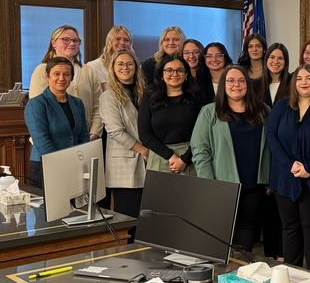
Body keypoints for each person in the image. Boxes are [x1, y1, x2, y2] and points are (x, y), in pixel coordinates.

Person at [191, 64, 270, 258]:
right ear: (223, 85)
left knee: (247, 235)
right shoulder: (210, 112)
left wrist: (271, 179)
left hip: (255, 186)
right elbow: (200, 151)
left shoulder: (263, 111)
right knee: (222, 237)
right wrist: (209, 183)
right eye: (231, 80)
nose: (236, 85)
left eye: (241, 80)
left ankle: (239, 273)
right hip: (223, 186)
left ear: (248, 84)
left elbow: (272, 147)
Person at [267, 64, 310, 270]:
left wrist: (309, 167)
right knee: (289, 226)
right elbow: (272, 137)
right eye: (299, 78)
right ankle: (291, 271)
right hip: (284, 176)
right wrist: (290, 165)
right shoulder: (281, 106)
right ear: (293, 83)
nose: (303, 82)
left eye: (309, 78)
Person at [27, 24, 101, 139]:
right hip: (53, 141)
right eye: (65, 40)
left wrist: (94, 134)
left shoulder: (88, 70)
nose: (71, 43)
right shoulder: (42, 70)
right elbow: (37, 111)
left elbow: (98, 105)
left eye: (75, 41)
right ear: (54, 43)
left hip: (85, 140)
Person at [24, 56, 89, 187]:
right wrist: (61, 165)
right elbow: (42, 141)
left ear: (71, 78)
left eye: (66, 74)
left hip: (74, 165)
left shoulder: (77, 103)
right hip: (46, 166)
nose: (62, 78)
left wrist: (82, 161)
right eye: (56, 74)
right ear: (47, 76)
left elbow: (83, 136)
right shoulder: (36, 104)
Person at [98, 49, 147, 221]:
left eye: (129, 63)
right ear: (113, 68)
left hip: (148, 164)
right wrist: (144, 151)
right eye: (120, 64)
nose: (125, 67)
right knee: (129, 219)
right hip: (125, 166)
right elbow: (116, 131)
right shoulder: (108, 97)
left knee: (147, 220)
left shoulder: (143, 93)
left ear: (136, 66)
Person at [137, 54, 200, 176]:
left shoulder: (197, 97)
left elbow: (203, 133)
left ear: (186, 74)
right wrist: (170, 156)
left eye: (180, 70)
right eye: (169, 70)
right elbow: (144, 134)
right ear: (161, 74)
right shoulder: (150, 98)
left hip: (191, 158)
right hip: (160, 156)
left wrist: (185, 159)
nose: (174, 74)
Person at [86, 25, 133, 91]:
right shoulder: (93, 66)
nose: (122, 43)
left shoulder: (135, 67)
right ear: (109, 42)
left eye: (126, 40)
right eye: (118, 39)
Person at [181, 38, 213, 106]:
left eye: (196, 52)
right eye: (186, 53)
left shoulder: (211, 76)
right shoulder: (179, 78)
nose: (191, 56)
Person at [262, 42, 292, 107]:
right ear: (266, 59)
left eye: (280, 58)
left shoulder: (292, 82)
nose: (275, 61)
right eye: (272, 57)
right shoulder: (257, 85)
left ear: (285, 62)